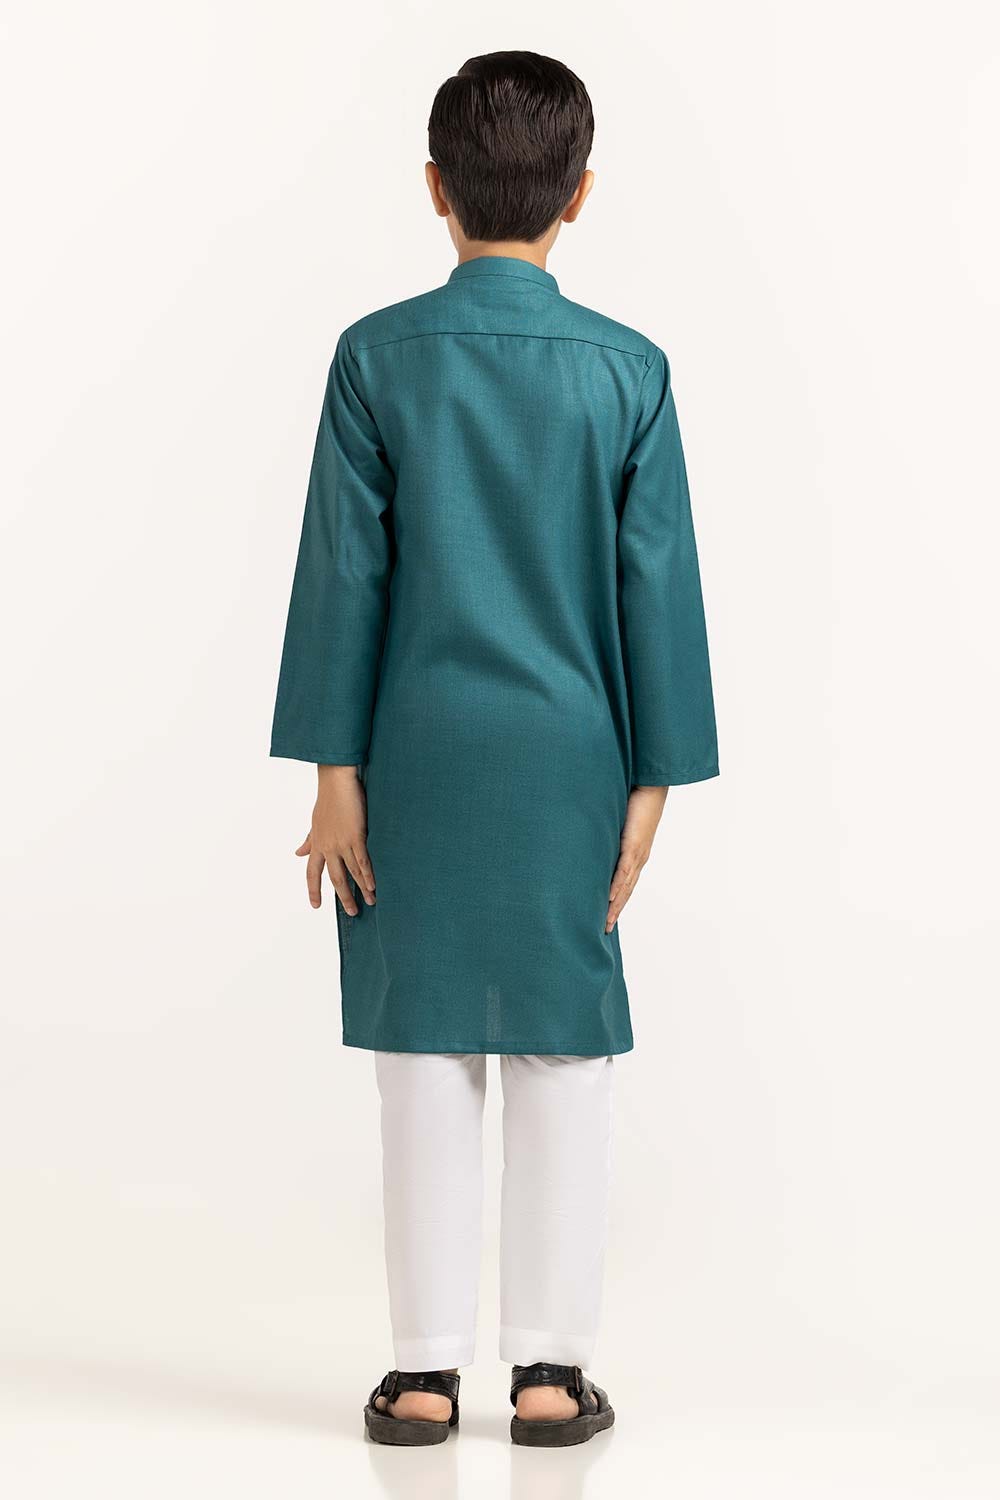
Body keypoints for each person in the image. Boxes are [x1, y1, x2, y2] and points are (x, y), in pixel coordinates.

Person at [270, 50, 718, 1448]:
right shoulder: (631, 371)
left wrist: (334, 776)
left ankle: (420, 1377)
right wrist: (652, 784)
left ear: (434, 189)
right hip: (573, 758)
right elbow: (658, 590)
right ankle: (548, 1375)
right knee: (562, 1057)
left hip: (410, 756)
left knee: (421, 1051)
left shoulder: (375, 359)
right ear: (579, 196)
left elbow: (344, 576)